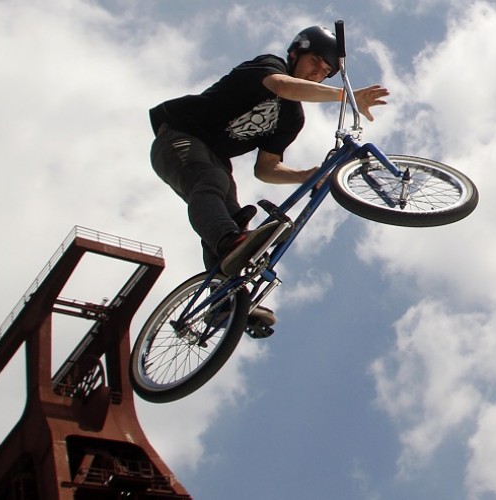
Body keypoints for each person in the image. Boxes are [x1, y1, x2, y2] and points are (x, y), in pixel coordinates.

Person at [149, 25, 389, 326]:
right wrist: (345, 95)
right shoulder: (269, 66)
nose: (317, 72)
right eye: (315, 61)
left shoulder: (292, 119)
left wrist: (306, 175)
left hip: (217, 159)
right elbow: (283, 86)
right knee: (210, 183)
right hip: (179, 136)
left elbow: (266, 168)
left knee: (233, 216)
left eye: (325, 71)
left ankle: (223, 302)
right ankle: (228, 242)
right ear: (295, 53)